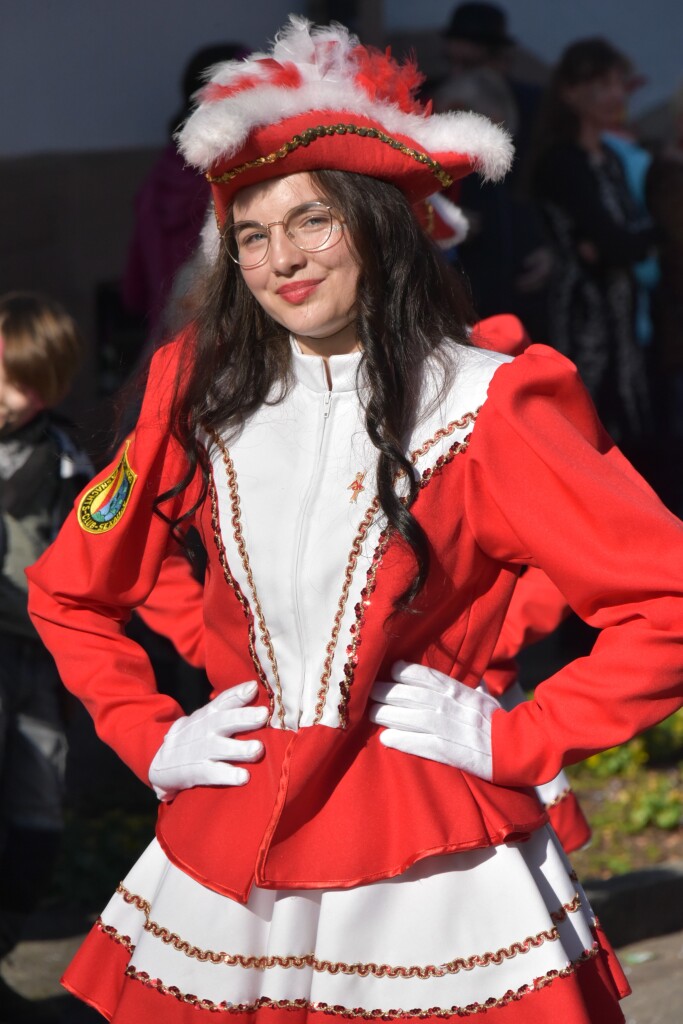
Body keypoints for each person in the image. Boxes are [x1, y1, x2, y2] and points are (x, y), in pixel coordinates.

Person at [25, 16, 683, 1023]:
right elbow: (74, 584)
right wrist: (154, 733)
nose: (279, 256)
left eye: (311, 221)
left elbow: (662, 595)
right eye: (250, 234)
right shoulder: (196, 388)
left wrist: (523, 738)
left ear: (376, 225)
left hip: (430, 860)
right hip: (228, 850)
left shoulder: (492, 400)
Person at [0, 292, 91, 1015]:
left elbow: (90, 555)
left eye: (30, 385)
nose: (11, 398)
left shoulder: (63, 458)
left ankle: (7, 938)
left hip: (36, 655)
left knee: (39, 802)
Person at [530, 39, 657, 447]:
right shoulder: (562, 161)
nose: (616, 94)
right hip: (580, 315)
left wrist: (625, 241)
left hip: (621, 313)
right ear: (571, 92)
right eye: (603, 84)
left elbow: (624, 236)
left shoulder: (612, 159)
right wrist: (631, 241)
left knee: (632, 421)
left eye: (619, 83)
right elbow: (615, 240)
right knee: (586, 424)